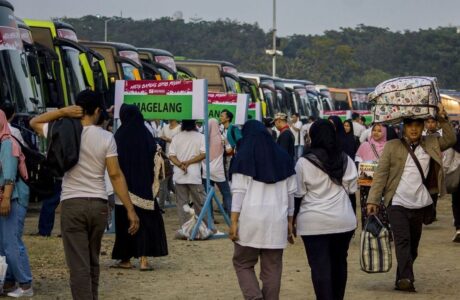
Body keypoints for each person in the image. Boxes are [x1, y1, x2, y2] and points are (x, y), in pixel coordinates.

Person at [30, 90, 140, 300]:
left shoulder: (61, 130)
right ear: (98, 110)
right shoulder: (107, 137)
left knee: (78, 264)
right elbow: (115, 175)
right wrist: (130, 209)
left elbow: (34, 122)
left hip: (72, 204)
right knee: (92, 260)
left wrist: (62, 111)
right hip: (98, 205)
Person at [366, 105, 456, 292]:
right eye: (409, 126)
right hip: (396, 202)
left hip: (420, 203)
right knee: (402, 241)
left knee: (413, 247)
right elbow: (381, 174)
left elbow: (451, 139)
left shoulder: (431, 143)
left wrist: (442, 119)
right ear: (403, 128)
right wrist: (373, 200)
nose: (414, 129)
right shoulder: (392, 146)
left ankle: (401, 277)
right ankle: (407, 277)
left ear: (423, 126)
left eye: (417, 125)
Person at [229, 120, 297, 300]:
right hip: (277, 220)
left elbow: (238, 194)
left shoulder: (242, 157)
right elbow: (291, 196)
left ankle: (254, 297)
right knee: (272, 268)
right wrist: (290, 222)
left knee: (243, 263)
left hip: (249, 219)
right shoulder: (284, 158)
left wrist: (234, 222)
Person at [294, 119, 357, 300]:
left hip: (313, 223)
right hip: (343, 221)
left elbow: (298, 195)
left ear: (312, 136)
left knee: (320, 267)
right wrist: (353, 217)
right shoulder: (346, 159)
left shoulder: (304, 163)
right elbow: (352, 192)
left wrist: (292, 221)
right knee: (339, 264)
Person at [111, 104, 168, 271]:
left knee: (124, 225)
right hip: (144, 189)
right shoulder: (146, 135)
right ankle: (143, 261)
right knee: (145, 224)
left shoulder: (119, 136)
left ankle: (126, 259)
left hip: (124, 190)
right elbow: (156, 158)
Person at [0, 110, 33, 298]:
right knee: (4, 244)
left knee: (11, 242)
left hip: (13, 198)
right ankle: (10, 280)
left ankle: (25, 284)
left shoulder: (7, 143)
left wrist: (5, 199)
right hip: (6, 198)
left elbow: (9, 176)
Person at [168, 120, 206, 227]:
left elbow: (171, 155)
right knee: (200, 202)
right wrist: (189, 162)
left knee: (182, 203)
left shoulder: (176, 137)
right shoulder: (200, 137)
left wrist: (180, 165)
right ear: (194, 124)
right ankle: (202, 226)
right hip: (194, 175)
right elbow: (204, 154)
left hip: (179, 175)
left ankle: (184, 228)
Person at [355, 124, 388, 228]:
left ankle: (383, 235)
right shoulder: (365, 145)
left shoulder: (388, 146)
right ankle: (368, 234)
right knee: (367, 209)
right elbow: (358, 159)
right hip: (367, 184)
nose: (376, 133)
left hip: (382, 184)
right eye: (374, 130)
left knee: (382, 209)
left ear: (384, 133)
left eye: (379, 131)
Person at [329, 116, 359, 213]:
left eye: (348, 126)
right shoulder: (332, 138)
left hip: (348, 170)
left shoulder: (353, 139)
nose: (346, 127)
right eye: (344, 125)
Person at [202, 119, 232, 214]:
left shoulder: (203, 138)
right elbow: (229, 150)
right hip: (218, 171)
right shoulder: (222, 138)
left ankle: (210, 218)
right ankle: (231, 215)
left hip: (206, 171)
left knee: (208, 196)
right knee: (226, 193)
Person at [158, 120, 180, 210]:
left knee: (164, 183)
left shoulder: (179, 128)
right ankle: (183, 200)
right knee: (169, 183)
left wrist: (168, 139)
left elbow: (180, 142)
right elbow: (159, 137)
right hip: (166, 158)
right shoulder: (165, 127)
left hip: (177, 158)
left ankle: (161, 206)